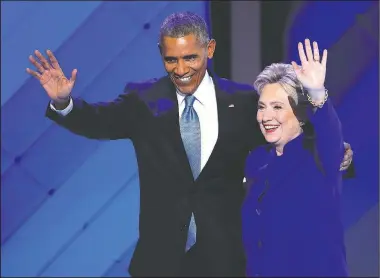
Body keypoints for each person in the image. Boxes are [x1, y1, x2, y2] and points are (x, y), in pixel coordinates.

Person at [26, 12, 353, 277]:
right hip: (159, 263)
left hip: (225, 260)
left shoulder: (242, 102)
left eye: (190, 58)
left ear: (209, 50)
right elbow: (99, 121)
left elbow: (288, 133)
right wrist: (64, 102)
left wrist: (341, 154)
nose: (181, 70)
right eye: (172, 60)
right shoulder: (144, 100)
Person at [242, 40, 349, 276]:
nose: (266, 116)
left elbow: (331, 134)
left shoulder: (319, 154)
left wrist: (317, 93)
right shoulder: (257, 164)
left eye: (277, 107)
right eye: (262, 106)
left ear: (299, 114)